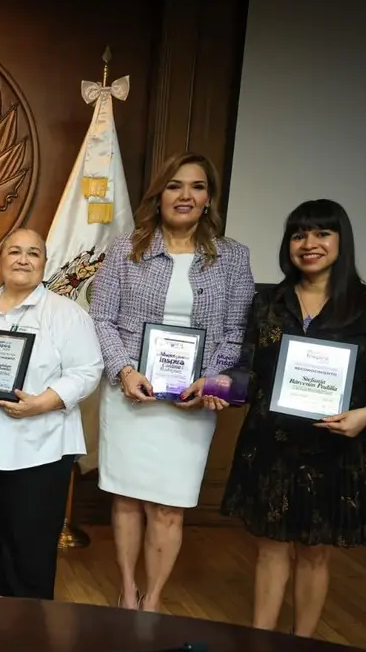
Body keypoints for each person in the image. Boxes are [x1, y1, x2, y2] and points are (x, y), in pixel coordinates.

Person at [214, 199, 366, 637]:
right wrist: (216, 387)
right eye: (299, 234)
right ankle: (260, 641)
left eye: (322, 233)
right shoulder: (268, 302)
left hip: (335, 449)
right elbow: (247, 370)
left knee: (316, 552)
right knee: (269, 549)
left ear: (341, 240)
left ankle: (302, 645)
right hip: (272, 445)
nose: (309, 244)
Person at [89, 151, 254, 613]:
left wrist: (210, 381)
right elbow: (101, 318)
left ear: (209, 199)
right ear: (159, 194)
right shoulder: (125, 250)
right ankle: (126, 590)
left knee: (168, 505)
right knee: (126, 498)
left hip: (191, 401)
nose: (186, 195)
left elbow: (237, 331)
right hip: (129, 394)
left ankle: (154, 597)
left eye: (197, 186)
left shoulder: (233, 258)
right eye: (176, 185)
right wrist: (123, 370)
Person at [0, 229, 103, 599]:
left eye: (33, 253)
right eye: (14, 252)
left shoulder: (65, 314)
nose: (23, 260)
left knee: (31, 546)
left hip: (39, 449)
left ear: (45, 264)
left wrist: (42, 402)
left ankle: (30, 624)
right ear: (0, 262)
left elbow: (88, 370)